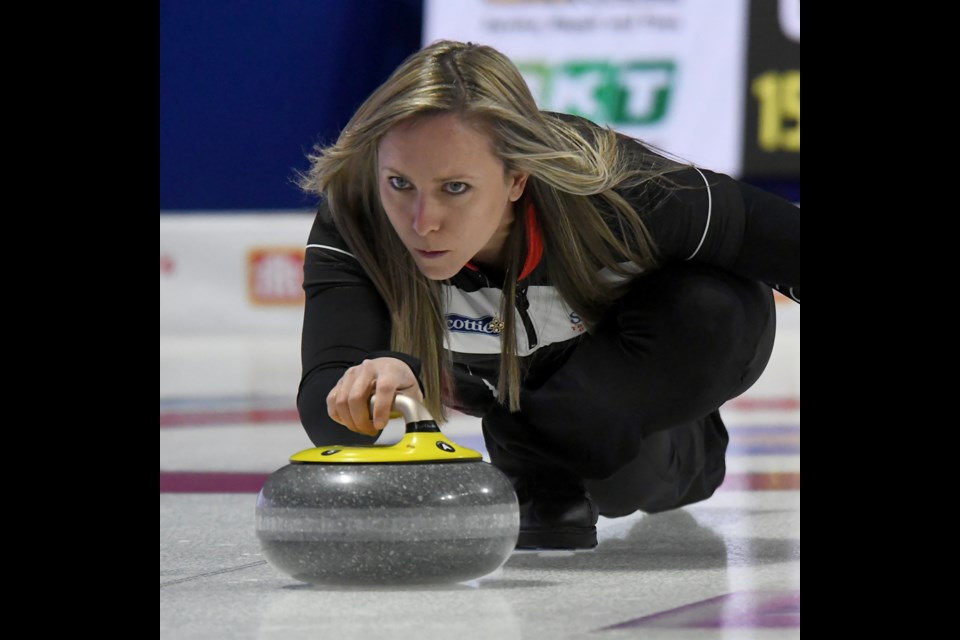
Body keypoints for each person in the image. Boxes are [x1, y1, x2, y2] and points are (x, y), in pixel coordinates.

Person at [297, 40, 800, 549]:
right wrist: (379, 383)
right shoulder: (357, 216)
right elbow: (325, 410)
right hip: (522, 388)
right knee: (614, 479)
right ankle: (550, 448)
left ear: (517, 178)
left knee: (705, 313)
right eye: (400, 183)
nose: (422, 222)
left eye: (455, 188)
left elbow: (772, 236)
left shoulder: (607, 185)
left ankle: (647, 446)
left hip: (655, 340)